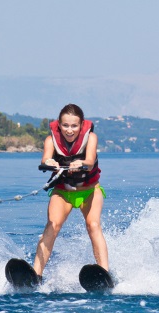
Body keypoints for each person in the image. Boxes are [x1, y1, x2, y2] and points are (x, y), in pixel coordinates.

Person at [33, 103, 109, 281]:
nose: (69, 130)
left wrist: (81, 163)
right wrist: (49, 162)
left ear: (82, 125)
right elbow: (45, 158)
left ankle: (104, 273)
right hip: (62, 192)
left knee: (93, 225)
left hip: (89, 191)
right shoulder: (50, 140)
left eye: (74, 126)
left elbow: (90, 161)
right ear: (59, 124)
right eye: (65, 125)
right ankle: (36, 275)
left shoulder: (91, 138)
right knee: (52, 225)